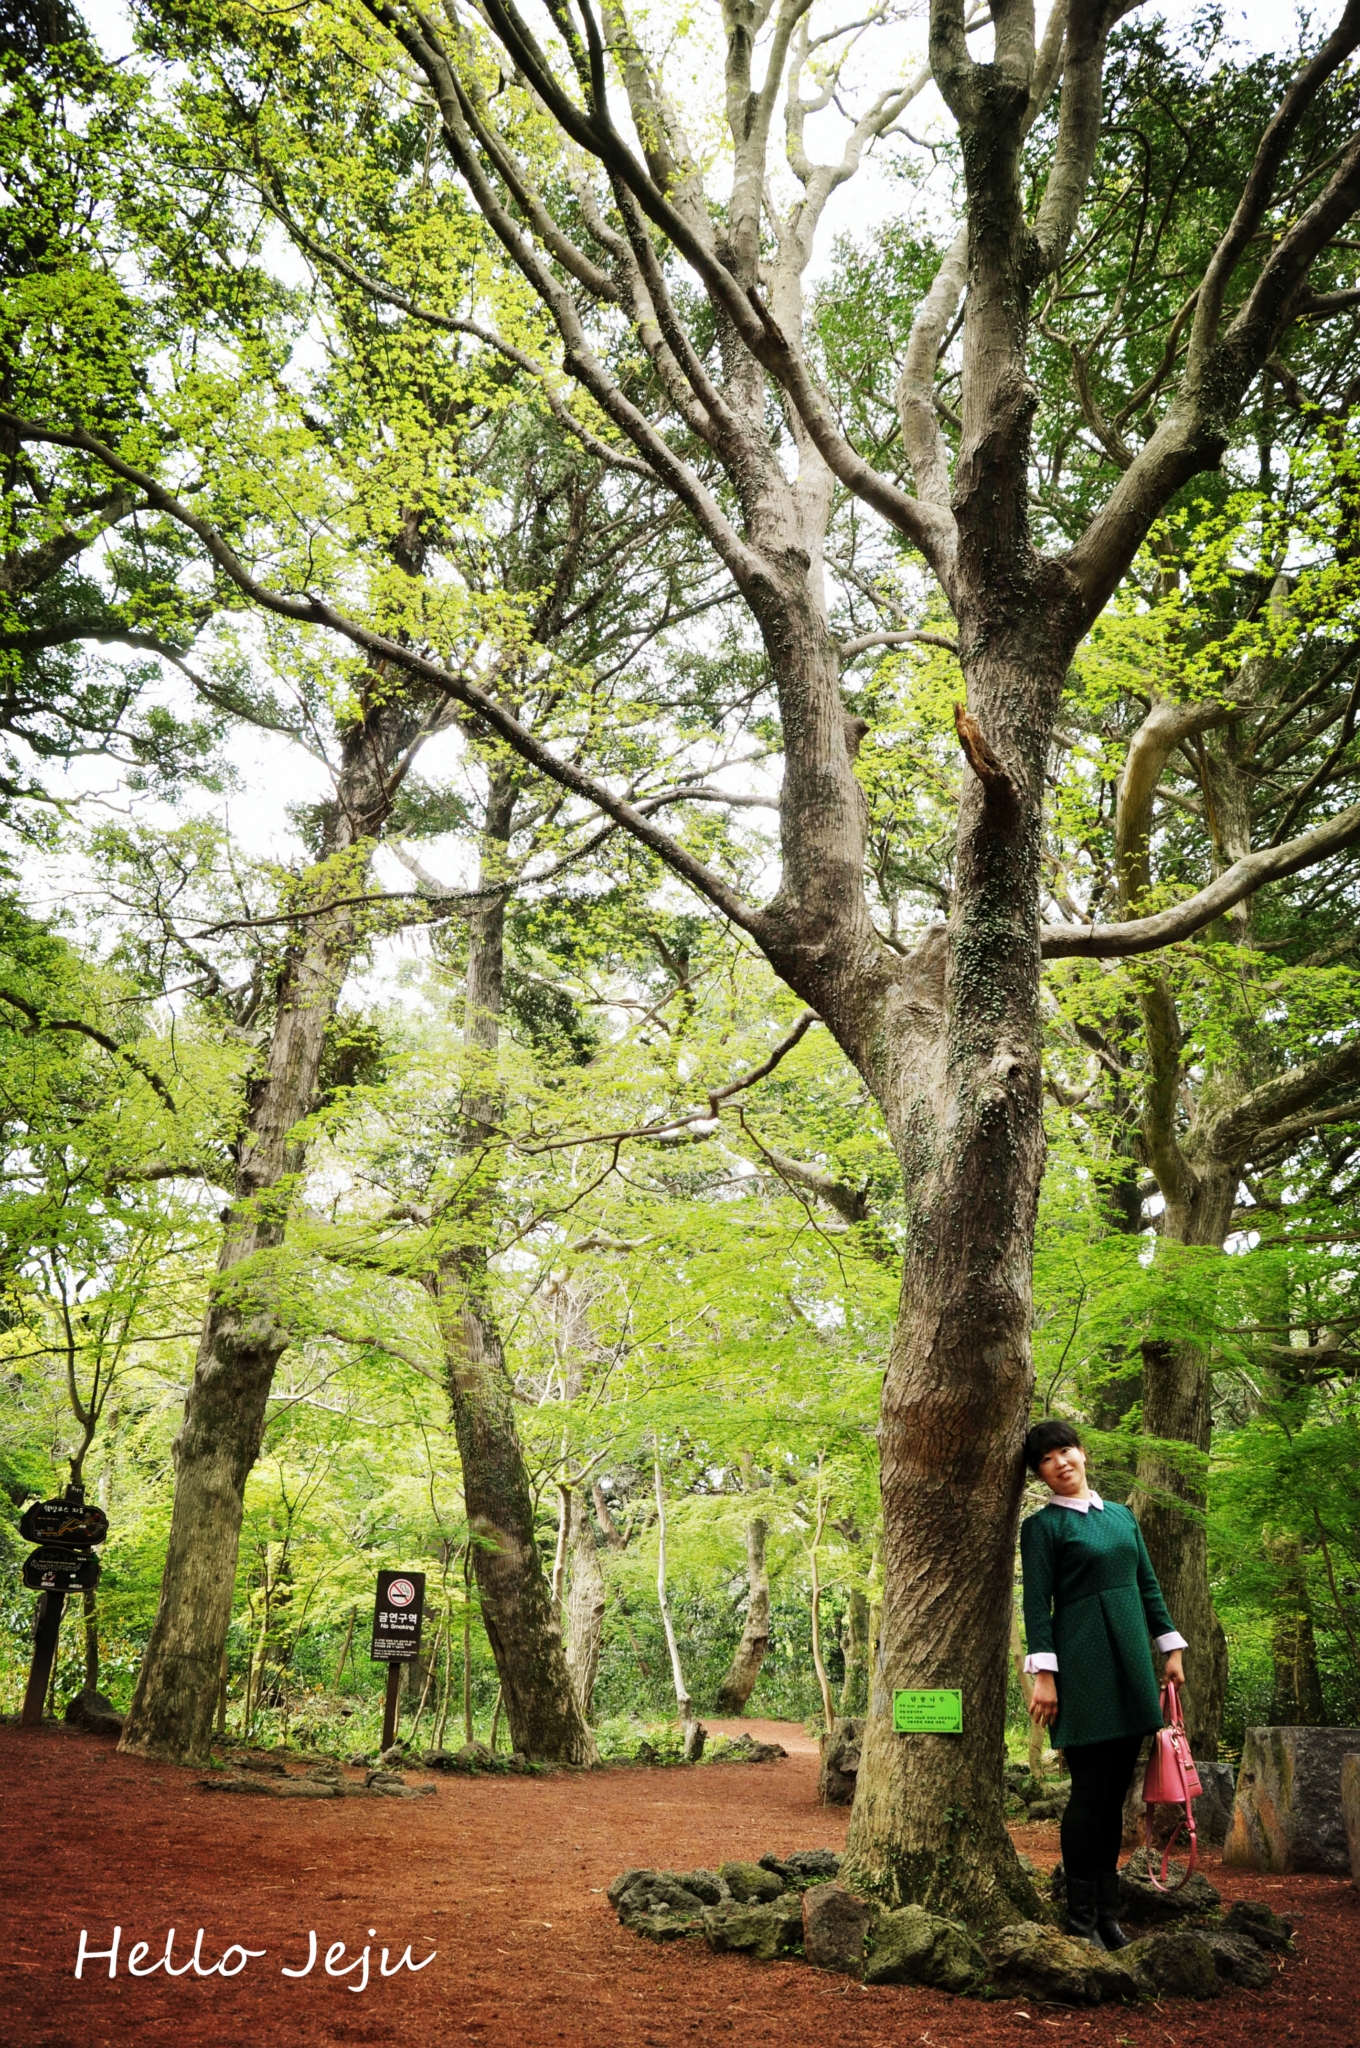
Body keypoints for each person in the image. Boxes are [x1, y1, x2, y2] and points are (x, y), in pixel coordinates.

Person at [1019, 1418, 1187, 1951]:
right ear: (1040, 1473)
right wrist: (1044, 1675)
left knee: (1116, 1797)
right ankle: (1080, 1916)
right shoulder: (1042, 1528)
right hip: (1082, 1665)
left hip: (1132, 1663)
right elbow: (1036, 1604)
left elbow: (1146, 1584)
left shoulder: (1121, 1517)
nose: (1060, 1463)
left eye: (1065, 1451)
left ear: (1082, 1453)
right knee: (1089, 1794)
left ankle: (1109, 1914)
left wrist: (1171, 1646)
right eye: (1047, 1459)